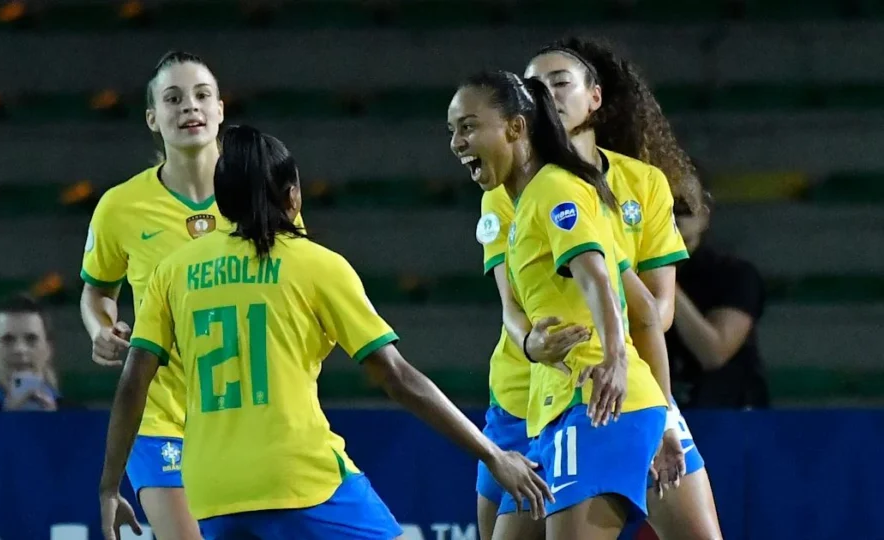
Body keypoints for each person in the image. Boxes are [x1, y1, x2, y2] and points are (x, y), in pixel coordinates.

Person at [96, 125, 552, 540]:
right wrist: (492, 453)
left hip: (212, 492)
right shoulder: (316, 264)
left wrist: (111, 486)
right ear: (292, 195)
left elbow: (134, 382)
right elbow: (397, 377)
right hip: (299, 478)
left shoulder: (173, 271)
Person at [81, 51, 305, 539]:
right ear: (152, 119)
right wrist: (102, 327)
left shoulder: (260, 193)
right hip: (161, 418)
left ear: (221, 110)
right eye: (173, 98)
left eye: (202, 96)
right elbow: (96, 291)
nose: (190, 108)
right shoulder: (119, 208)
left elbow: (297, 284)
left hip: (247, 418)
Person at [448, 70, 669, 540]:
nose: (456, 142)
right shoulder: (517, 202)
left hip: (598, 404)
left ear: (515, 127)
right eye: (452, 131)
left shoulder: (554, 189)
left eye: (467, 126)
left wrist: (614, 359)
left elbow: (595, 275)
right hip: (550, 410)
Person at [523, 38, 723, 540]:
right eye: (534, 88)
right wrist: (531, 342)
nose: (547, 94)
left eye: (560, 83)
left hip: (636, 377)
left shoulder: (646, 183)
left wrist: (604, 263)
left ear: (595, 98)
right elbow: (518, 305)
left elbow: (659, 310)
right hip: (547, 390)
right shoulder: (517, 189)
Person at [669, 194, 769, 409]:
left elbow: (712, 353)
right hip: (658, 415)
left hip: (728, 418)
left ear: (704, 214)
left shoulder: (734, 274)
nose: (674, 216)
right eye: (662, 205)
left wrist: (663, 277)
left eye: (683, 207)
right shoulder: (624, 273)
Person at [0, 293, 63, 411]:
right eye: (7, 339)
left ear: (48, 349)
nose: (20, 349)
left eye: (31, 339)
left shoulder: (78, 417)